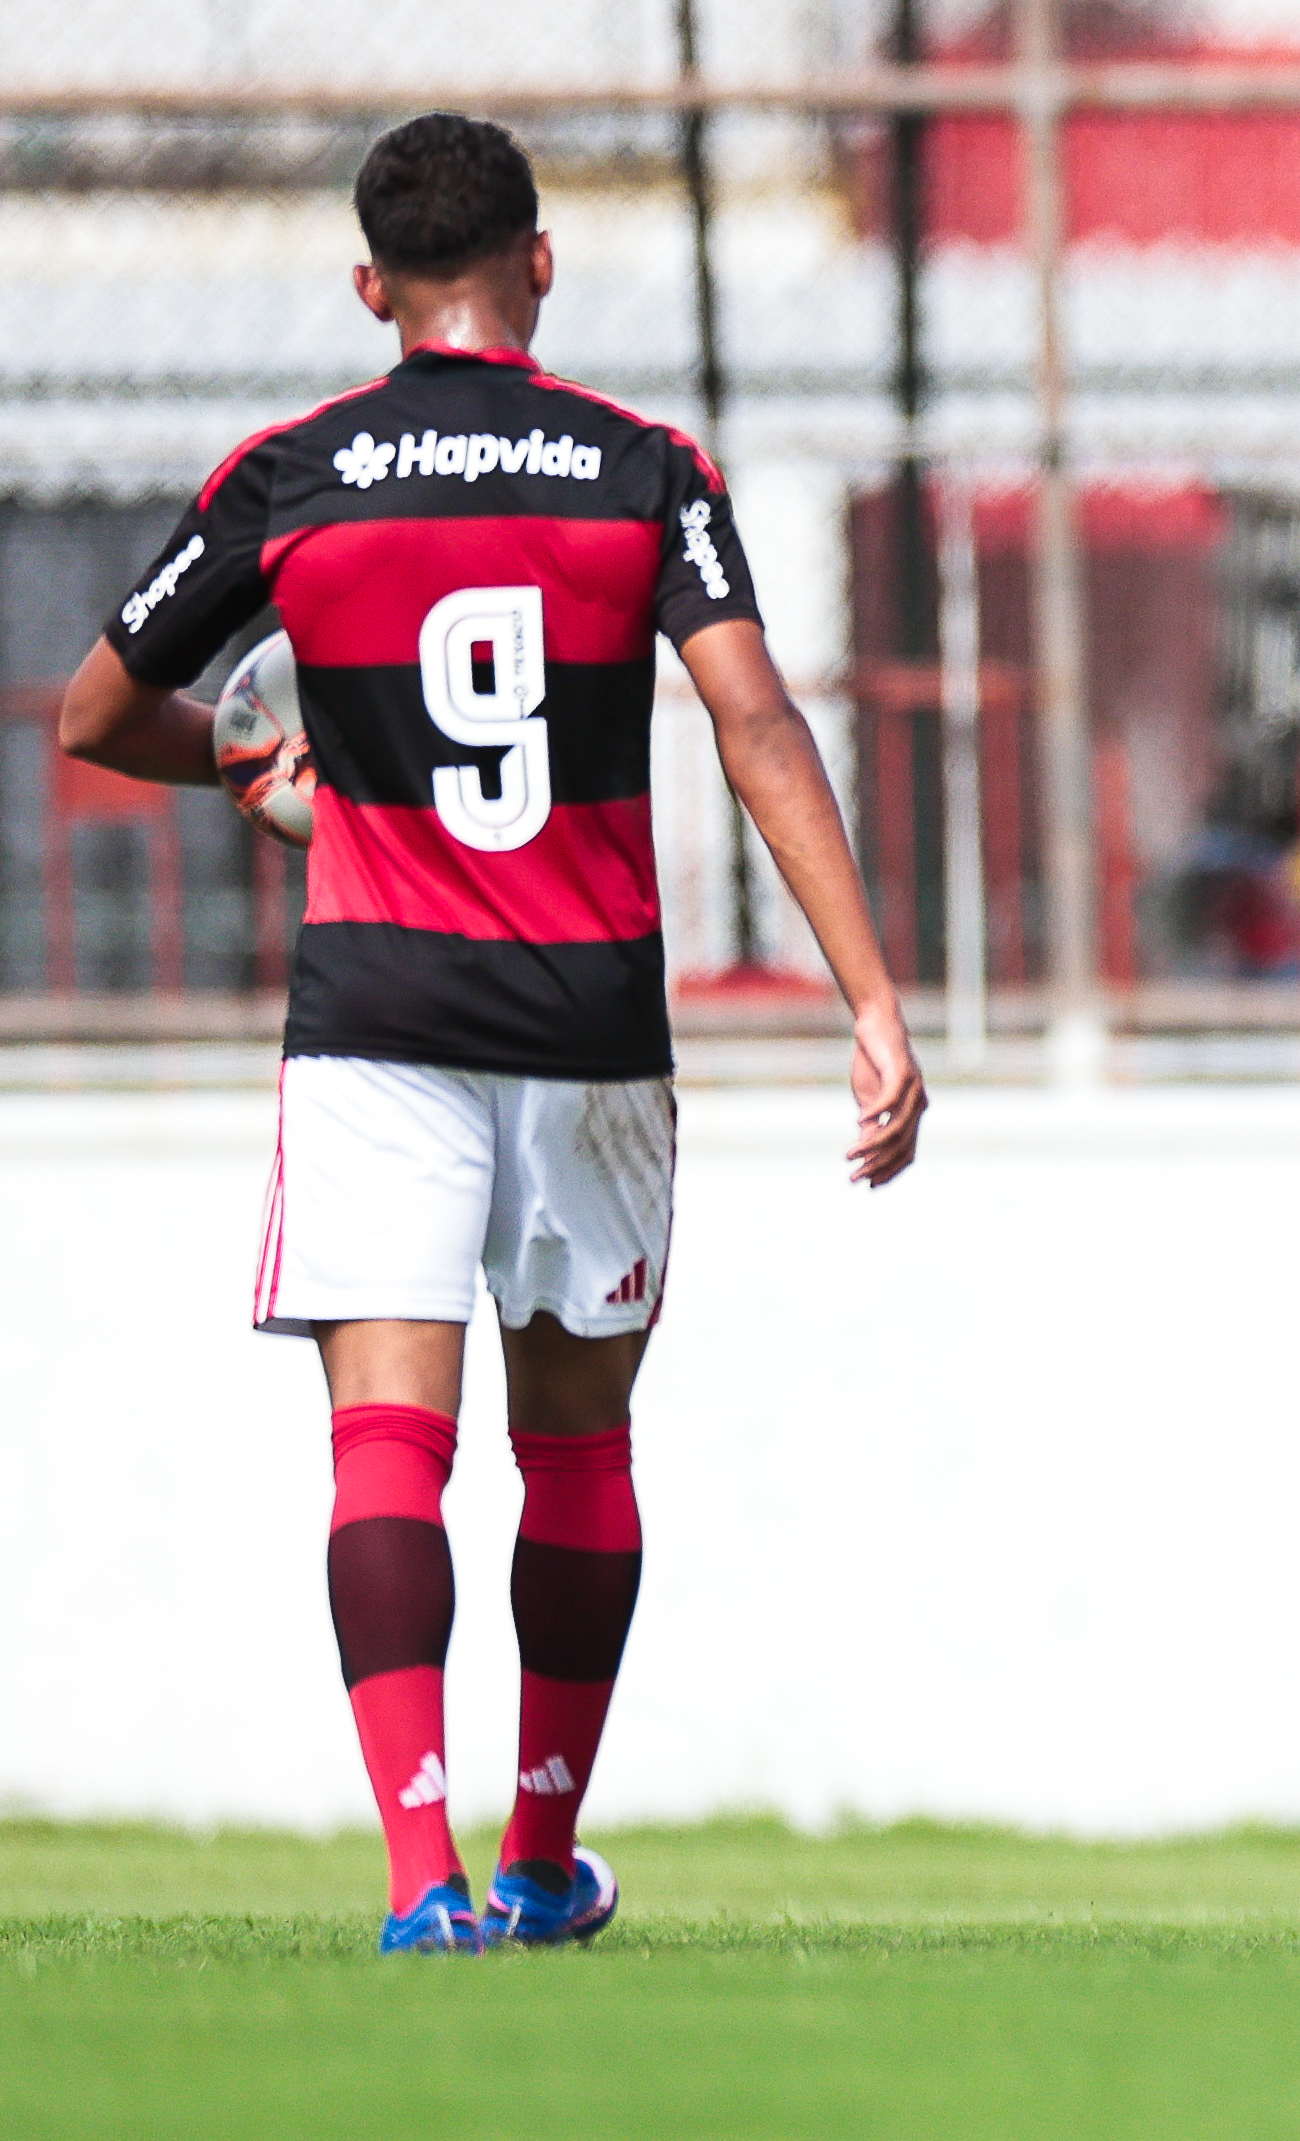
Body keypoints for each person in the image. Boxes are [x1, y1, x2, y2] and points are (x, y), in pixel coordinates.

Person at [58, 113, 927, 1954]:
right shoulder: (642, 469)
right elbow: (758, 725)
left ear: (370, 288)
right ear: (542, 264)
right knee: (580, 1451)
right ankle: (543, 1854)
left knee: (389, 1444)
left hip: (379, 1009)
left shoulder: (292, 476)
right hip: (589, 1013)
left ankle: (419, 1880)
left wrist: (260, 771)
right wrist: (869, 996)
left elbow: (96, 711)